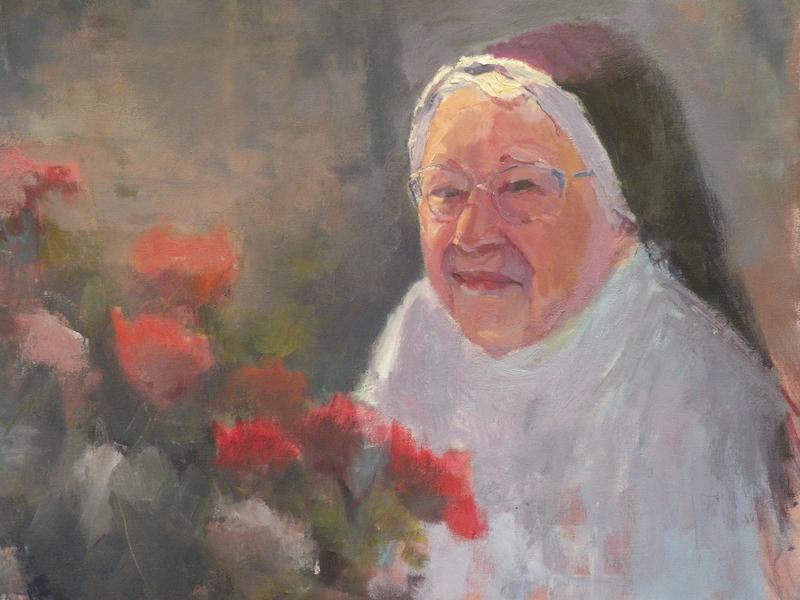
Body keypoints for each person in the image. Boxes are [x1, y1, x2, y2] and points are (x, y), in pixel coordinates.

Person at [357, 23, 794, 599]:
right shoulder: (421, 329)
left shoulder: (698, 399)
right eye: (446, 192)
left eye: (521, 188)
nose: (472, 234)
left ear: (623, 212)